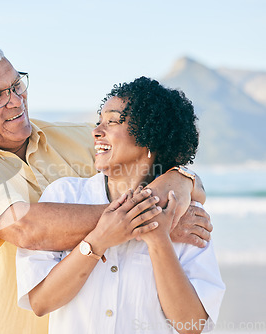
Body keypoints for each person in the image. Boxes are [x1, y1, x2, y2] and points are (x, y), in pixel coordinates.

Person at [0, 42, 213, 334]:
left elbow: (157, 158)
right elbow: (26, 228)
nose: (15, 100)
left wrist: (182, 178)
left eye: (16, 85)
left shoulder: (77, 138)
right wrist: (147, 219)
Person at [16, 77, 225, 334]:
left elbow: (192, 325)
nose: (96, 131)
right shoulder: (64, 195)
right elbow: (41, 302)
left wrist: (159, 240)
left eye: (112, 121)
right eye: (99, 121)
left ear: (151, 135)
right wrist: (98, 240)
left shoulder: (185, 214)